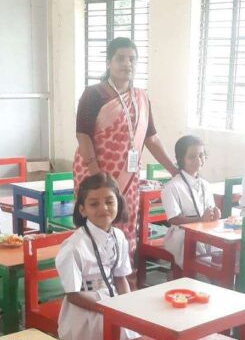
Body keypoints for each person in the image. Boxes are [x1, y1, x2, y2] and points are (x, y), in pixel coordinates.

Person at [55, 173, 162, 340]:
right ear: (82, 209)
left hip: (113, 300)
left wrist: (129, 306)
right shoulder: (73, 246)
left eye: (109, 201)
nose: (103, 208)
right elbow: (73, 295)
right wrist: (108, 310)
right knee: (107, 334)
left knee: (144, 327)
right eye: (94, 203)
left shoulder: (119, 236)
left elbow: (121, 278)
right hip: (86, 307)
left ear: (118, 203)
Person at [73, 37, 177, 256]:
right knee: (96, 223)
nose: (127, 64)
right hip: (95, 173)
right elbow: (83, 136)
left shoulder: (141, 97)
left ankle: (124, 281)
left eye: (132, 59)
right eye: (120, 58)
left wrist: (174, 170)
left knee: (125, 225)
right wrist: (99, 177)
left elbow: (152, 139)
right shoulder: (94, 94)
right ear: (109, 63)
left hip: (128, 176)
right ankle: (92, 279)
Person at [162, 135, 220, 271]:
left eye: (201, 155)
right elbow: (174, 219)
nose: (198, 160)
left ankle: (215, 273)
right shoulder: (172, 186)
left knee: (221, 250)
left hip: (203, 230)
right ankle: (202, 275)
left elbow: (208, 212)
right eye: (192, 156)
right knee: (203, 261)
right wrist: (200, 219)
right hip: (180, 234)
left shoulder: (206, 184)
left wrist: (214, 215)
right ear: (181, 159)